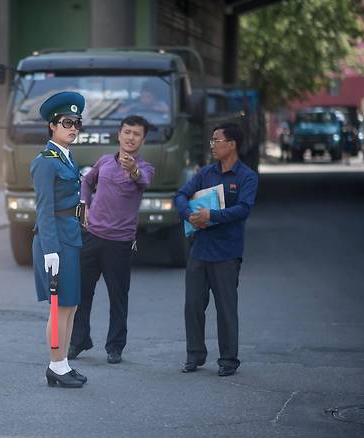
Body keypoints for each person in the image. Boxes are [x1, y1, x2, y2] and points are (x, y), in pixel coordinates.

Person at [69, 115, 155, 364]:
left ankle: (115, 347)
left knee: (118, 296)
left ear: (142, 139)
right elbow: (87, 181)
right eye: (127, 132)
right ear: (119, 135)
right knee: (82, 293)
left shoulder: (145, 168)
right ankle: (79, 341)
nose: (130, 137)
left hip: (120, 243)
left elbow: (144, 179)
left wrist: (134, 170)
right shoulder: (105, 161)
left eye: (136, 134)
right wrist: (83, 206)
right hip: (92, 237)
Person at [174, 123, 258, 377]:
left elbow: (243, 209)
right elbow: (180, 195)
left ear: (231, 144)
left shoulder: (247, 176)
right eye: (211, 140)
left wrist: (213, 215)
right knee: (193, 306)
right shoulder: (205, 173)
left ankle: (228, 360)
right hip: (199, 250)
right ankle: (195, 356)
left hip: (227, 253)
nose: (212, 145)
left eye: (216, 140)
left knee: (226, 309)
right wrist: (191, 215)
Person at [31, 91, 87, 388]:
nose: (73, 128)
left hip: (70, 236)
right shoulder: (46, 161)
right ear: (53, 125)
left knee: (71, 305)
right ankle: (54, 365)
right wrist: (50, 251)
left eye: (77, 123)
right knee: (58, 307)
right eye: (67, 122)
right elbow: (44, 210)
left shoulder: (66, 157)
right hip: (54, 241)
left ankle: (63, 363)